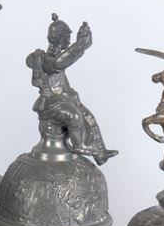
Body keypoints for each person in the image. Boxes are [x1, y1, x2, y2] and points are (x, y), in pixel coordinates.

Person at [26, 14, 117, 165]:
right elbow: (59, 63)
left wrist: (81, 44)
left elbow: (62, 60)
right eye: (67, 36)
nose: (69, 40)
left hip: (64, 98)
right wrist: (80, 45)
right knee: (74, 117)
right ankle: (79, 145)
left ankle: (100, 153)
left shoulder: (53, 56)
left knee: (89, 118)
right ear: (60, 37)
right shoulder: (45, 58)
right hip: (51, 102)